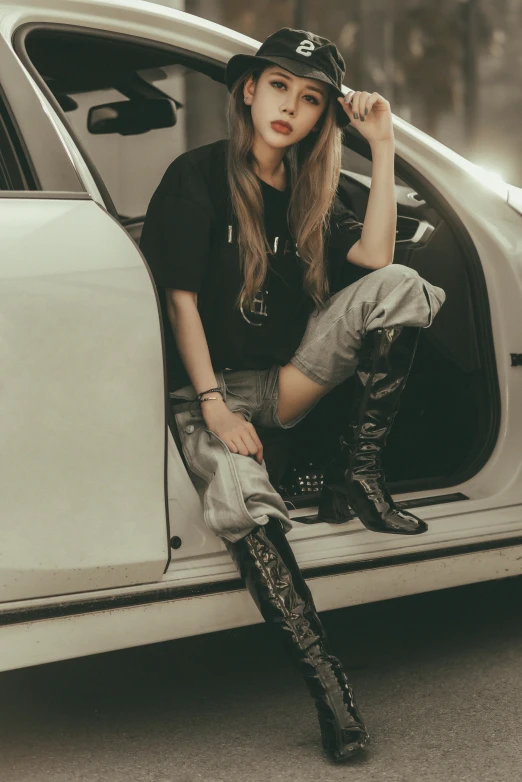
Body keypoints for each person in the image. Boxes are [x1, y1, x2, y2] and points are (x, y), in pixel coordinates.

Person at [140, 27, 446, 762]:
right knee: (245, 504)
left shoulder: (312, 189)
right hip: (209, 394)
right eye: (279, 87)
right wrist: (213, 403)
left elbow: (374, 262)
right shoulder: (198, 176)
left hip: (284, 386)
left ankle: (359, 476)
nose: (291, 107)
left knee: (403, 287)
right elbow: (179, 300)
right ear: (249, 90)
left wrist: (380, 143)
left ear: (320, 118)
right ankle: (331, 694)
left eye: (311, 99)